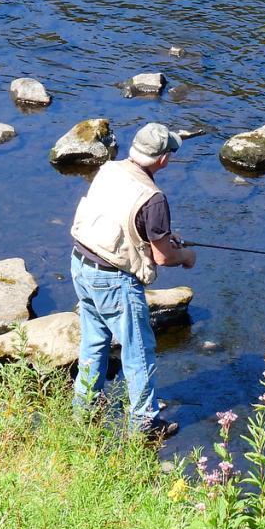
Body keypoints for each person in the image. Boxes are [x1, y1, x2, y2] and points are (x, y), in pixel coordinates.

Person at [69, 122, 197, 438]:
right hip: (114, 280)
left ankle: (83, 410)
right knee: (138, 350)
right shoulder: (154, 198)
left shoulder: (109, 169)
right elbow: (163, 257)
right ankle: (144, 424)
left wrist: (164, 238)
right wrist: (185, 256)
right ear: (164, 159)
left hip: (81, 265)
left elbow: (122, 219)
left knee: (94, 342)